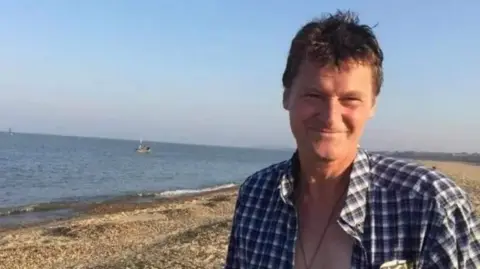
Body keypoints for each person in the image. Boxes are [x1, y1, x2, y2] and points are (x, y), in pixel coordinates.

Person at [224, 10, 480, 269]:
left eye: (350, 99)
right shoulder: (255, 196)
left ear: (372, 106)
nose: (330, 117)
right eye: (314, 95)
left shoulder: (429, 204)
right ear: (287, 96)